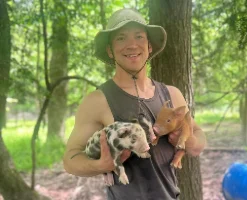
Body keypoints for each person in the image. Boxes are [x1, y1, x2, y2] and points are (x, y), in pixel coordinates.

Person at [63, 8, 206, 200]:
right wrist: (100, 166)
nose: (131, 45)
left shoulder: (172, 95)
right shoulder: (97, 101)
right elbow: (71, 158)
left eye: (139, 36)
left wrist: (187, 141)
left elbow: (197, 138)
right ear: (110, 50)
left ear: (149, 47)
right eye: (121, 38)